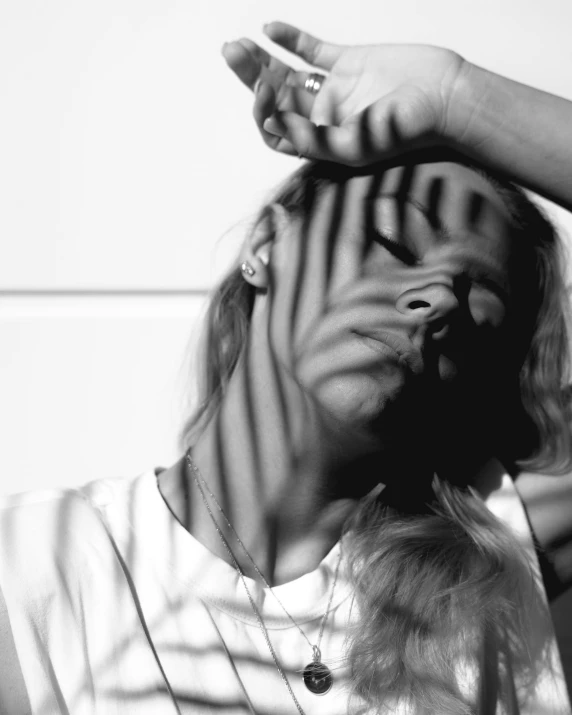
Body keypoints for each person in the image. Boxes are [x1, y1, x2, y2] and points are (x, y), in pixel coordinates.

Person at [1, 21, 572, 715]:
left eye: (479, 299)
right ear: (267, 243)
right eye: (395, 238)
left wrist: (459, 98)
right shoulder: (41, 568)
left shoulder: (495, 543)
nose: (437, 300)